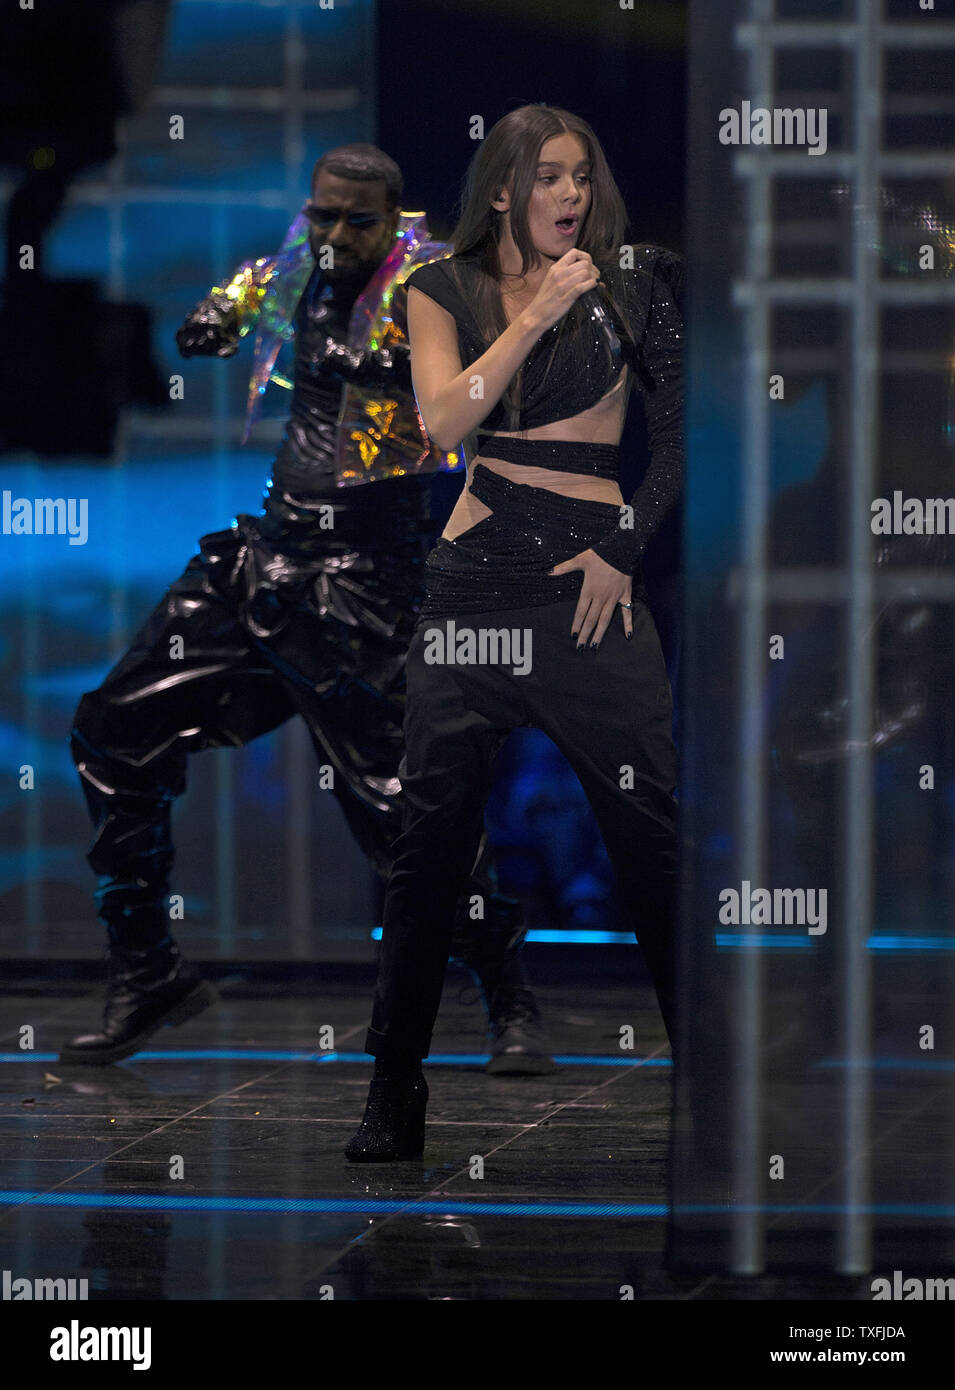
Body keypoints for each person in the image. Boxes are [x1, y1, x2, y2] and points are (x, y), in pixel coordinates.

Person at [62, 143, 554, 1075]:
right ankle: (148, 970)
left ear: (395, 217)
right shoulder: (293, 264)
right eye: (322, 213)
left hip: (368, 577)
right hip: (267, 559)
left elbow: (493, 398)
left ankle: (510, 994)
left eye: (354, 221)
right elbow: (211, 323)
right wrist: (215, 318)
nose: (332, 233)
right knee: (112, 731)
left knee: (398, 809)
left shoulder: (438, 291)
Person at [344, 107, 683, 1161]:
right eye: (547, 177)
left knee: (654, 838)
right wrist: (535, 312)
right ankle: (393, 1088)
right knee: (427, 852)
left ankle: (714, 1087)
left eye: (581, 175)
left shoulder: (632, 277)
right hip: (472, 591)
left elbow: (679, 435)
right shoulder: (439, 289)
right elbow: (444, 421)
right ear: (502, 190)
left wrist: (623, 548)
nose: (569, 196)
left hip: (588, 589)